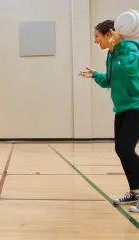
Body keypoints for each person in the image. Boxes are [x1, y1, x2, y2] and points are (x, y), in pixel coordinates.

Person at [79, 20, 139, 212]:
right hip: (121, 107)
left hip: (136, 106)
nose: (95, 40)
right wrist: (96, 75)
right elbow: (110, 81)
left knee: (126, 149)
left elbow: (133, 69)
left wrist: (121, 45)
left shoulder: (130, 49)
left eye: (97, 36)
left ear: (109, 35)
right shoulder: (111, 54)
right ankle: (135, 192)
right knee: (121, 150)